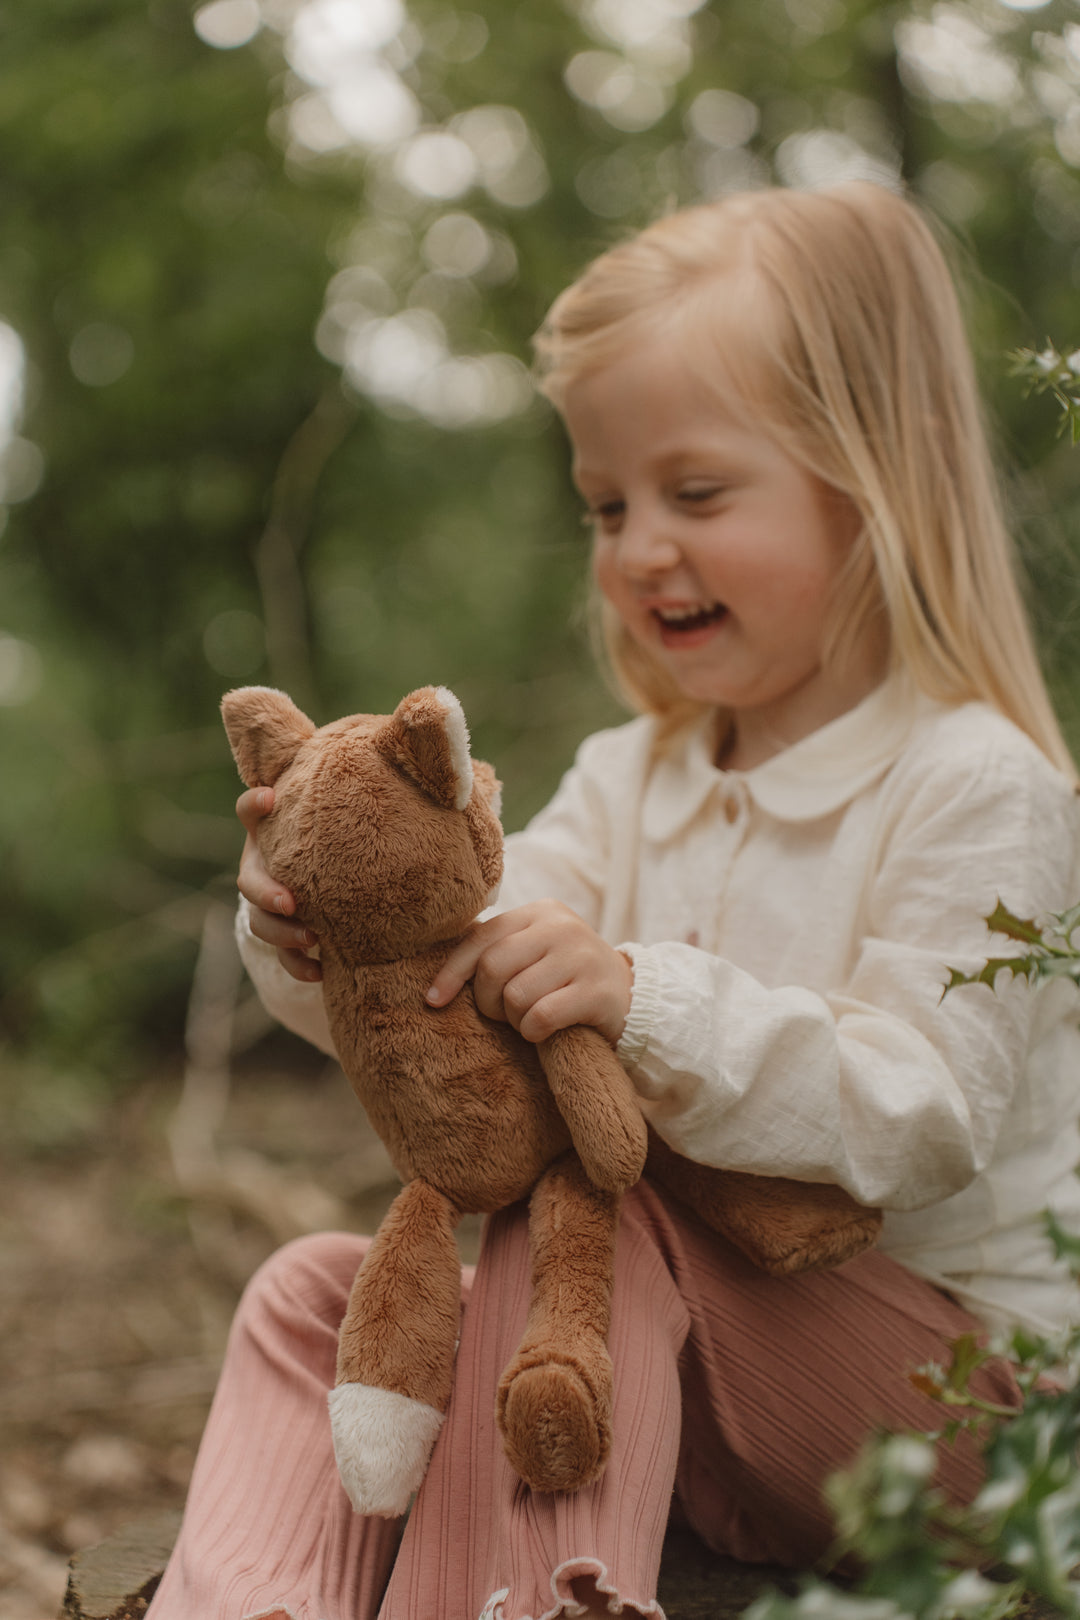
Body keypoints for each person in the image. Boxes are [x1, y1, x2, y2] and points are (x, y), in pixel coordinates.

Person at [149, 182, 1080, 1620]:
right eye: (606, 504)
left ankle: (513, 1601)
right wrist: (330, 931)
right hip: (700, 1372)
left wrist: (643, 1003)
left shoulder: (974, 782)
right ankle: (256, 1604)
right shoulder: (624, 776)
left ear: (874, 479)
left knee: (605, 1205)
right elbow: (456, 994)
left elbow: (925, 1114)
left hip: (966, 1412)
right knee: (309, 1294)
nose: (641, 544)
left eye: (695, 493)